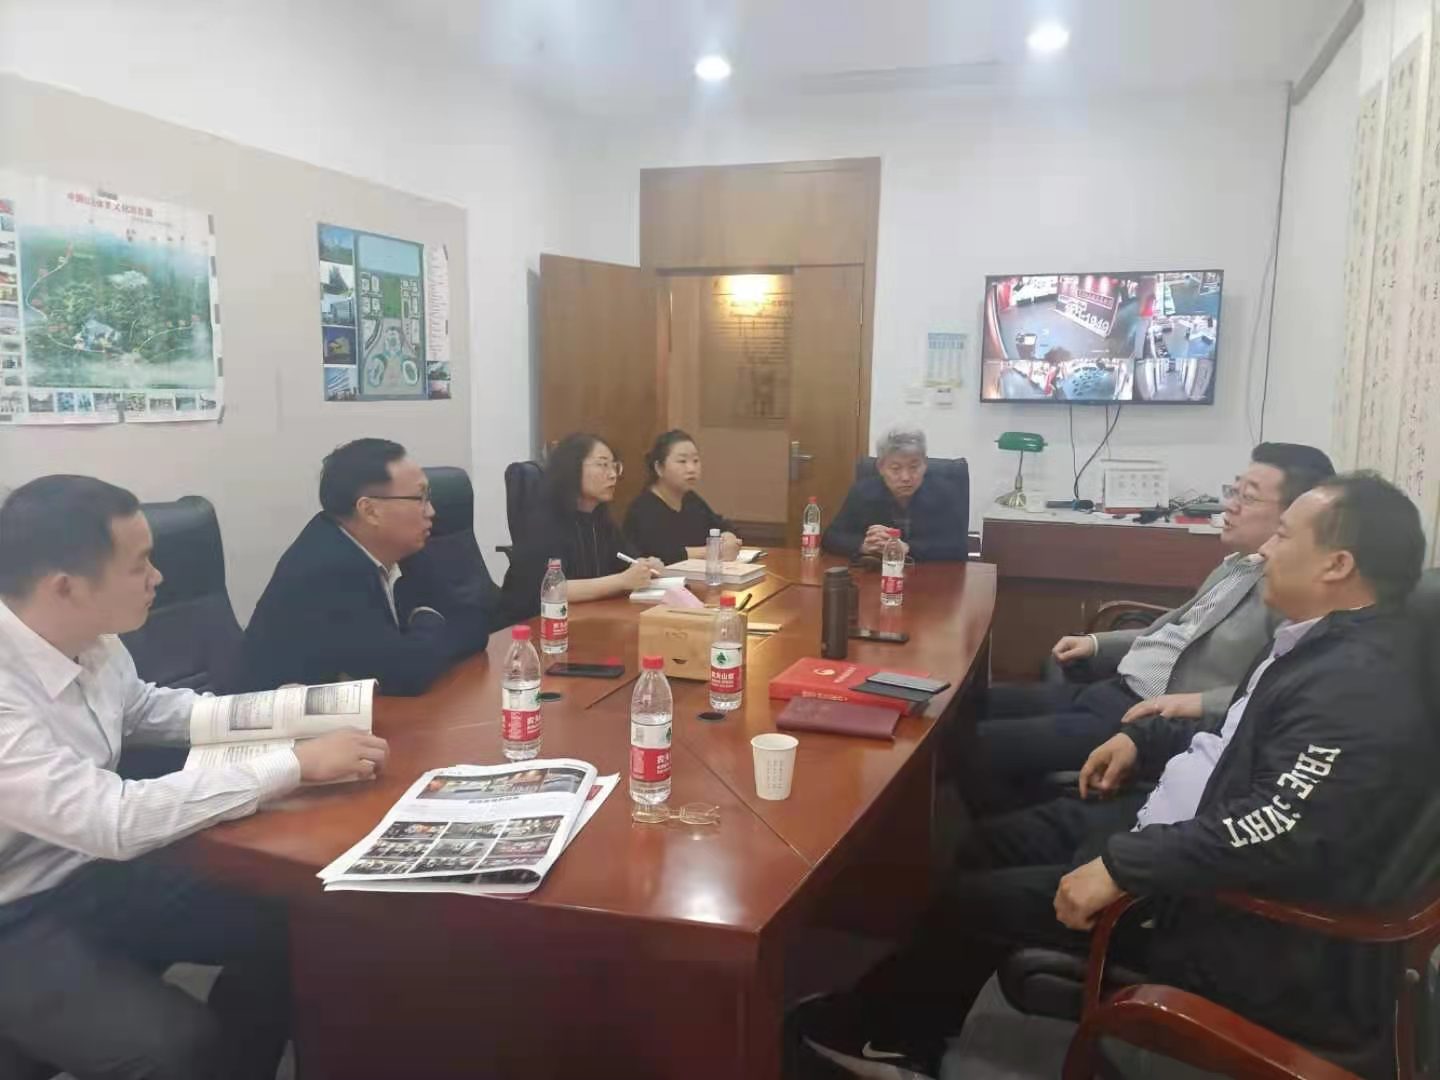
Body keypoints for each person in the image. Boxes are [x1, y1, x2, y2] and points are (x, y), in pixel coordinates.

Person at [799, 472, 1433, 1080]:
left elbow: (1276, 827)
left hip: (1208, 910)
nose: (1266, 549)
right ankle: (926, 1011)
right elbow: (1233, 731)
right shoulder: (1313, 644)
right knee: (984, 844)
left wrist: (1125, 867)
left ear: (1337, 565)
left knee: (969, 902)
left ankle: (889, 1036)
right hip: (1166, 830)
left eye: (1285, 535)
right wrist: (1140, 737)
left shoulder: (1355, 687)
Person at [0, 475, 389, 1080]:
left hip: (89, 874)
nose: (158, 577)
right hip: (16, 914)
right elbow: (112, 819)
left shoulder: (93, 641)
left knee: (298, 927)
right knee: (179, 1049)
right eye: (140, 564)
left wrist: (292, 713)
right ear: (65, 587)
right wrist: (293, 764)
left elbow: (147, 709)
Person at [971, 442, 1335, 811]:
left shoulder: (1290, 595)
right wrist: (1097, 643)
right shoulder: (1239, 564)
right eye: (1234, 490)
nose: (1230, 505)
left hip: (1146, 717)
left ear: (1295, 516)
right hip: (1113, 689)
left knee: (978, 744)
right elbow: (1181, 629)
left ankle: (996, 830)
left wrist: (1195, 702)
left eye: (1249, 497)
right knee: (969, 708)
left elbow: (1277, 690)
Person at [242, 438, 494, 696]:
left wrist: (422, 634)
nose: (431, 511)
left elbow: (474, 623)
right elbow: (407, 673)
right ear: (370, 510)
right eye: (419, 498)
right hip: (283, 717)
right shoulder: (327, 571)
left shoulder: (400, 546)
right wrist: (429, 618)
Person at [501, 433, 664, 618]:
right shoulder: (544, 520)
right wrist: (621, 581)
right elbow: (553, 588)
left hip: (585, 616)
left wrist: (645, 566)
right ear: (573, 468)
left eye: (615, 466)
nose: (613, 475)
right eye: (602, 465)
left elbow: (626, 561)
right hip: (535, 623)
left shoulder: (600, 520)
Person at [822, 425, 969, 562]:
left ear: (925, 464)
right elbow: (830, 538)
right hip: (877, 575)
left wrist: (907, 548)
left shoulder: (944, 493)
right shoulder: (862, 492)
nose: (906, 477)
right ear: (881, 467)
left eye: (914, 467)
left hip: (930, 575)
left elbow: (958, 546)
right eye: (896, 468)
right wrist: (864, 545)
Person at [623, 429, 743, 566]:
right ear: (659, 468)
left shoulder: (691, 500)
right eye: (682, 461)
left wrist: (728, 537)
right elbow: (662, 555)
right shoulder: (643, 509)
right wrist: (712, 551)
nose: (691, 469)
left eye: (695, 461)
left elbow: (720, 525)